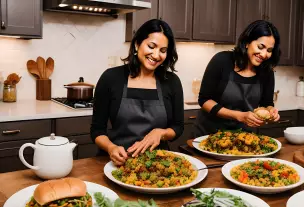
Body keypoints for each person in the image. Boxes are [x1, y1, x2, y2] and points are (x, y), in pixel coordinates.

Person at [90, 19, 184, 165]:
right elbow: (97, 130)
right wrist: (111, 147)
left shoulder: (172, 82)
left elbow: (178, 127)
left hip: (158, 164)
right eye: (151, 46)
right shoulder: (111, 78)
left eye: (163, 50)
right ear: (137, 44)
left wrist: (161, 133)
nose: (156, 55)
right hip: (118, 162)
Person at [193, 20, 281, 137]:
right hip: (208, 135)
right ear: (247, 43)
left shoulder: (267, 72)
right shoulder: (222, 61)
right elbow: (204, 100)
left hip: (243, 138)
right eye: (260, 47)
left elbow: (267, 103)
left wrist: (271, 111)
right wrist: (238, 116)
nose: (264, 54)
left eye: (269, 50)